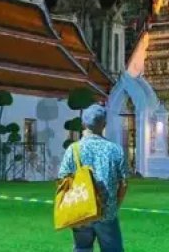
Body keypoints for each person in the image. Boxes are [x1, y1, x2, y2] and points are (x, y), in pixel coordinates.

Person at [58, 104, 128, 252]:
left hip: (81, 209)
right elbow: (124, 183)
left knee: (82, 248)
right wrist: (115, 205)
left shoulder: (74, 149)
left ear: (83, 124)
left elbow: (63, 179)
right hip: (107, 210)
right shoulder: (115, 149)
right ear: (104, 124)